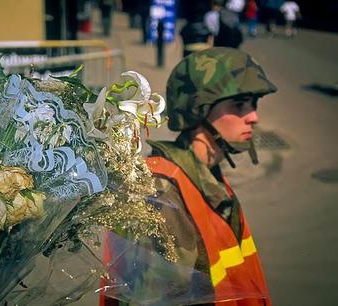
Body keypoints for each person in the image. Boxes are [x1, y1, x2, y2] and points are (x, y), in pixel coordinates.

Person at [101, 47, 277, 306]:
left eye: (254, 104)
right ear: (198, 111)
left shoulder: (207, 177)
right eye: (239, 105)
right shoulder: (163, 196)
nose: (254, 116)